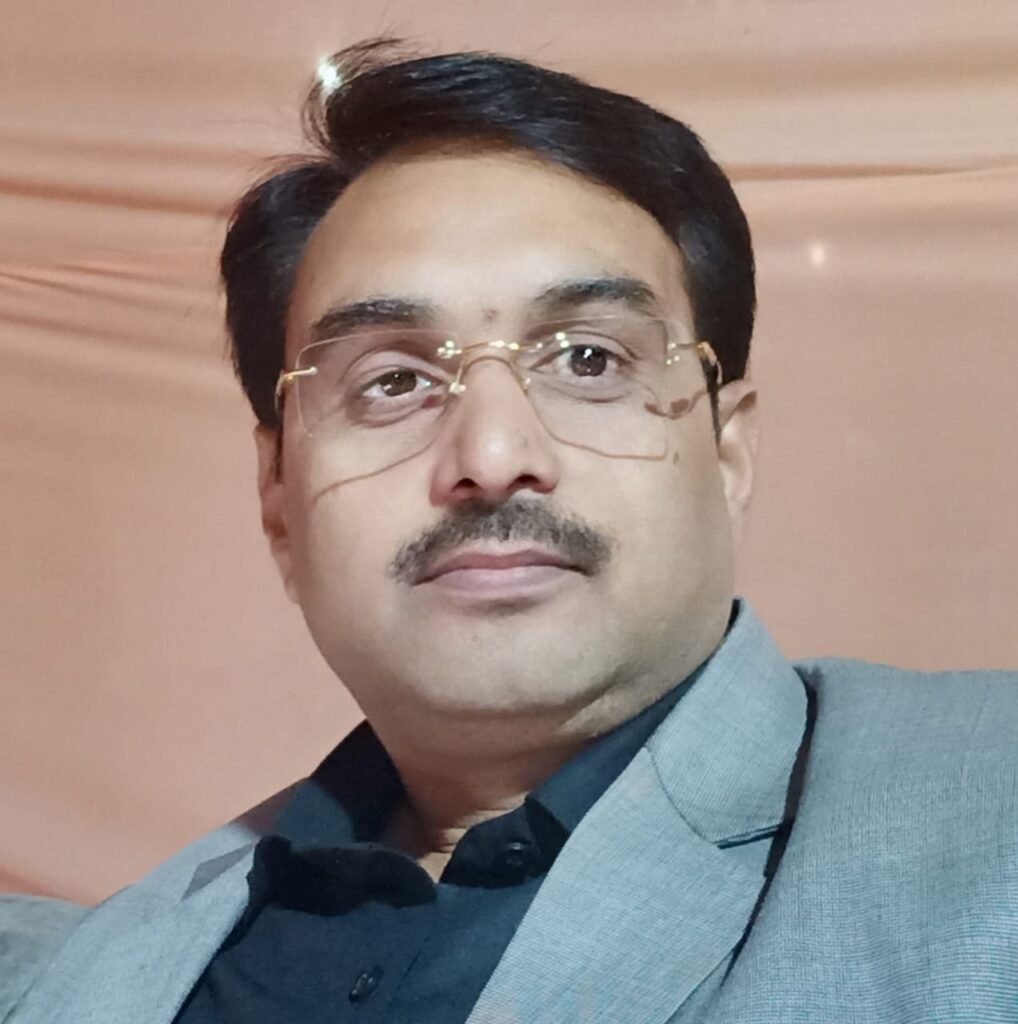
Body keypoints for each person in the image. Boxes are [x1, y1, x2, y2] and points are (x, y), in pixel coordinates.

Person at [2, 38, 1016, 1024]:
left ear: (727, 452)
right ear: (277, 493)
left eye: (587, 360)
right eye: (391, 380)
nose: (491, 456)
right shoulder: (101, 966)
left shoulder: (984, 813)